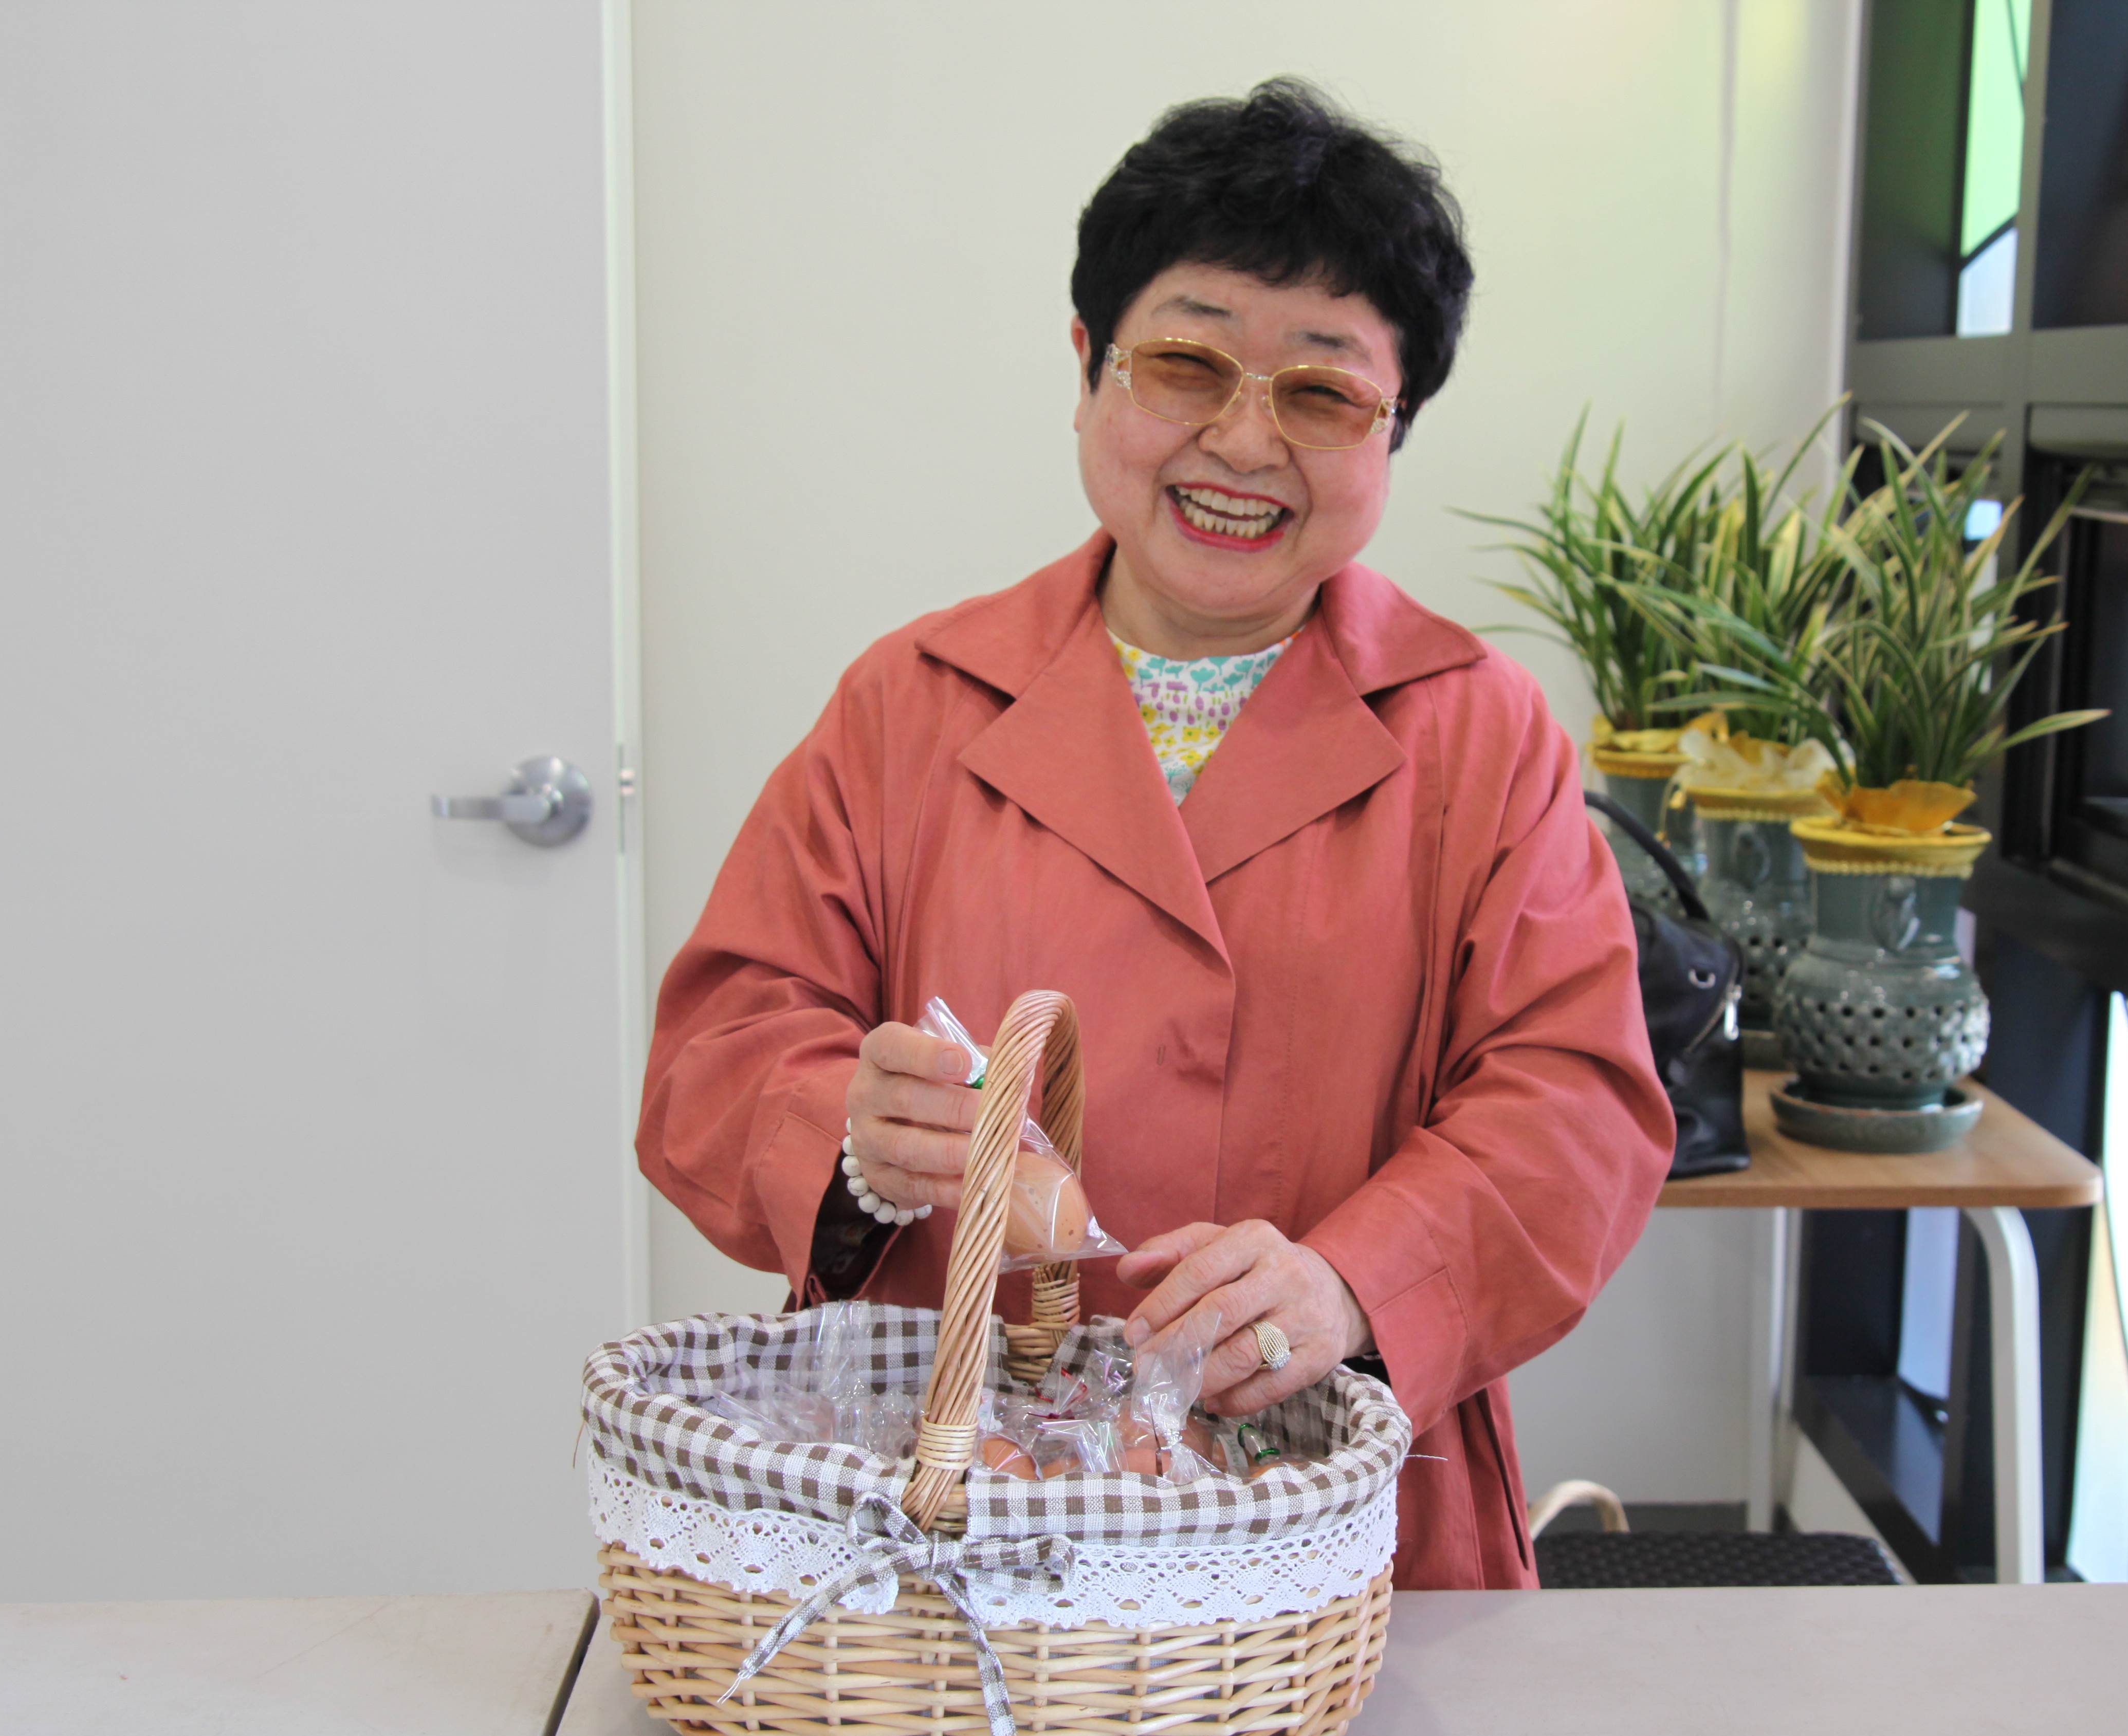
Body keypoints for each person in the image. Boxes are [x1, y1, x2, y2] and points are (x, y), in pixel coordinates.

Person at [638, 78, 1670, 1587]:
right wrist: (846, 1138)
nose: (1243, 441)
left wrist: (1354, 1282)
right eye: (1186, 365)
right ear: (1087, 368)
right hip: (950, 1500)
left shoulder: (1482, 734)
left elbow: (1575, 1105)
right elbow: (720, 1046)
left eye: (1321, 395)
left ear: (1395, 430)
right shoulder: (909, 703)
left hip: (1324, 1509)